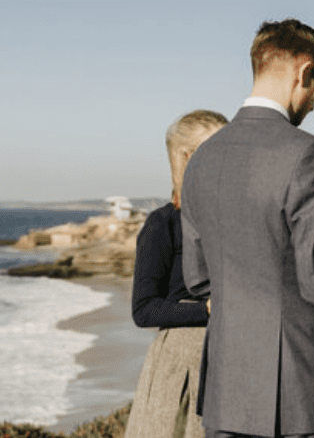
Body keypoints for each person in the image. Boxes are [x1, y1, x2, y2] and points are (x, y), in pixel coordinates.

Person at [181, 18, 314, 438]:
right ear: (305, 72)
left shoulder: (202, 157)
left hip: (225, 388)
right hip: (293, 388)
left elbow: (198, 279)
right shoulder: (308, 153)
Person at [125, 110, 228, 438]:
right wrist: (207, 310)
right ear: (188, 156)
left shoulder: (233, 219)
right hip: (180, 362)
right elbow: (143, 310)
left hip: (232, 355)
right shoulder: (162, 224)